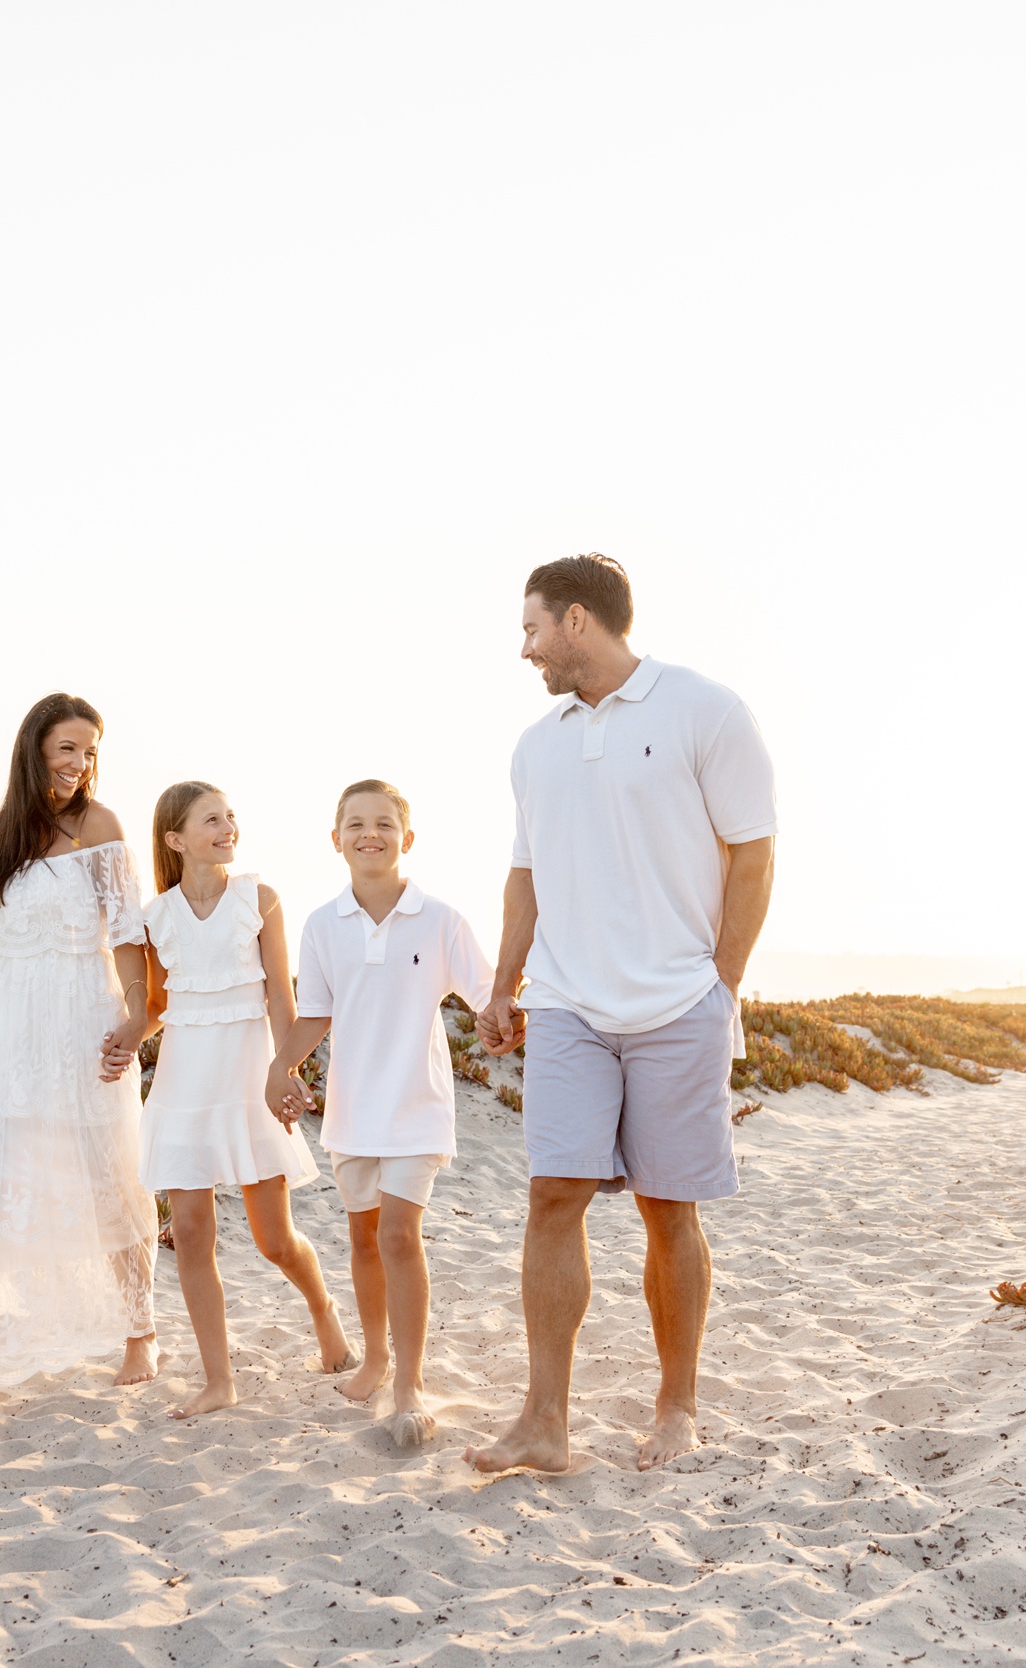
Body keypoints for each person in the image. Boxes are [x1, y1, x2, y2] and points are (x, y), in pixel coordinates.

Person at [464, 554, 777, 1475]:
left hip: (679, 1001)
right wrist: (504, 983)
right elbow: (525, 873)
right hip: (567, 1004)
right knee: (551, 1197)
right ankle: (543, 1422)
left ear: (574, 621)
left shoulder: (705, 710)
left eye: (530, 630)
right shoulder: (537, 743)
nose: (524, 650)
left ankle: (675, 1406)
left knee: (666, 1210)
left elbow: (753, 856)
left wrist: (721, 983)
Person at [0, 693, 160, 1431]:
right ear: (34, 749)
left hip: (84, 1017)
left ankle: (140, 1331)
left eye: (90, 750)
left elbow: (128, 934)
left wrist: (138, 1016)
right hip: (7, 1025)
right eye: (67, 749)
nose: (80, 765)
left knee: (105, 1169)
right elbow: (1, 945)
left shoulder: (101, 827)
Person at [113, 781, 354, 1419]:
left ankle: (324, 1310)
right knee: (191, 1233)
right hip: (185, 1082)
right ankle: (218, 1380)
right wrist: (123, 1034)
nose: (227, 828)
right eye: (211, 819)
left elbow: (281, 995)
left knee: (274, 1238)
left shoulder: (258, 898)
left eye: (230, 817)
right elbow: (159, 1006)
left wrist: (284, 1068)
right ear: (176, 838)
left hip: (250, 1077)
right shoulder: (154, 917)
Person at [270, 779, 491, 1448]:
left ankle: (410, 1382)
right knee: (363, 1239)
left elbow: (488, 994)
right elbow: (316, 1013)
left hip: (416, 1106)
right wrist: (280, 1068)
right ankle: (374, 1357)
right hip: (353, 1109)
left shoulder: (441, 919)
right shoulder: (321, 924)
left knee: (398, 1236)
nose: (371, 833)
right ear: (335, 839)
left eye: (385, 823)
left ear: (408, 838)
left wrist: (507, 1019)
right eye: (356, 823)